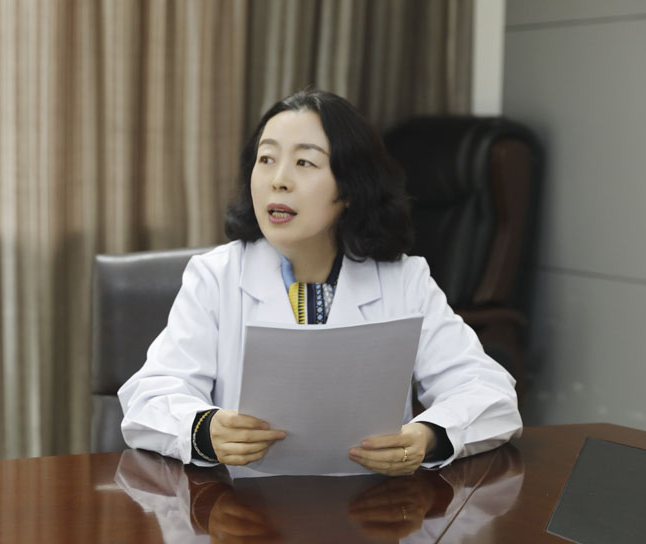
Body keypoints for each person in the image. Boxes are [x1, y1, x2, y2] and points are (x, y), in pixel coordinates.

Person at [118, 89, 522, 476]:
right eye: (266, 159)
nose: (278, 180)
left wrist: (428, 436)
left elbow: (490, 394)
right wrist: (204, 430)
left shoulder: (404, 280)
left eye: (304, 163)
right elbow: (149, 398)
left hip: (372, 504)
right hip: (240, 506)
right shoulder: (215, 276)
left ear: (349, 188)